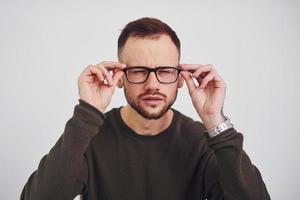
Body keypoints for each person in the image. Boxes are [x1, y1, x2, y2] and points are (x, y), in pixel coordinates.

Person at [20, 17, 270, 200]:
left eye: (164, 71)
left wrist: (214, 120)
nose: (153, 84)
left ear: (180, 77)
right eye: (138, 70)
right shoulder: (90, 137)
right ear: (119, 77)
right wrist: (88, 112)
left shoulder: (202, 141)